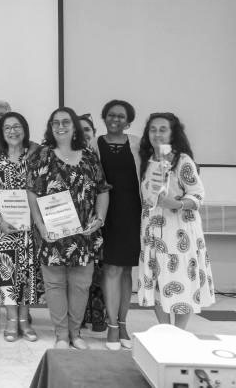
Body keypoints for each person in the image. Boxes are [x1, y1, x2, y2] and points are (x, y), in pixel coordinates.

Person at [26, 107, 110, 350]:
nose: (60, 126)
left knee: (81, 286)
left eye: (65, 122)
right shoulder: (41, 155)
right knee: (54, 286)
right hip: (52, 234)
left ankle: (75, 333)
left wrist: (100, 218)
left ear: (74, 126)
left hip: (84, 235)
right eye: (55, 123)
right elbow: (32, 192)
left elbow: (102, 190)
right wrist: (40, 225)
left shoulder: (89, 156)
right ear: (50, 127)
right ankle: (61, 335)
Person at [137, 112, 215, 329]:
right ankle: (165, 332)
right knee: (157, 282)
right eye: (153, 129)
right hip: (152, 232)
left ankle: (179, 333)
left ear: (173, 133)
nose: (157, 134)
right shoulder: (147, 161)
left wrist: (177, 203)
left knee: (182, 281)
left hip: (179, 232)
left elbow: (197, 195)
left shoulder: (182, 160)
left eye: (163, 129)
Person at [0, 112, 39, 342]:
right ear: (1, 133)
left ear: (24, 130)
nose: (12, 131)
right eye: (7, 128)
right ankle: (11, 320)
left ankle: (25, 320)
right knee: (7, 273)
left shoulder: (35, 159)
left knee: (28, 273)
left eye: (17, 127)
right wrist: (0, 222)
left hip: (32, 229)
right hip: (5, 229)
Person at [96, 100, 142, 350]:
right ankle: (112, 325)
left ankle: (124, 323)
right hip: (106, 213)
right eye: (111, 115)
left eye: (121, 116)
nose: (115, 119)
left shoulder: (137, 144)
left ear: (128, 122)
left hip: (133, 214)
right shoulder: (94, 144)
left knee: (126, 271)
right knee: (111, 269)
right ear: (104, 117)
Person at [78, 113, 106, 332]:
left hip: (100, 222)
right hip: (72, 225)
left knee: (98, 271)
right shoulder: (63, 156)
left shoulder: (100, 157)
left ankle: (97, 316)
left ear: (94, 133)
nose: (83, 133)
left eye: (87, 129)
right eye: (78, 129)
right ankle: (78, 316)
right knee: (77, 274)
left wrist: (99, 216)